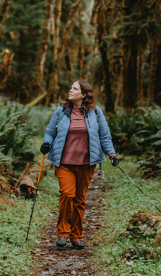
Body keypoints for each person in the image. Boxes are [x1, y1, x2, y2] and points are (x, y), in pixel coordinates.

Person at [40, 79, 118, 249]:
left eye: (75, 88)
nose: (70, 90)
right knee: (67, 194)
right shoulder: (61, 111)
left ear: (84, 94)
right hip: (64, 163)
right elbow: (50, 131)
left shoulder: (95, 113)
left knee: (79, 199)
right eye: (70, 87)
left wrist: (111, 154)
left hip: (86, 163)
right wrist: (47, 143)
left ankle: (76, 236)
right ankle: (63, 233)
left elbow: (104, 136)